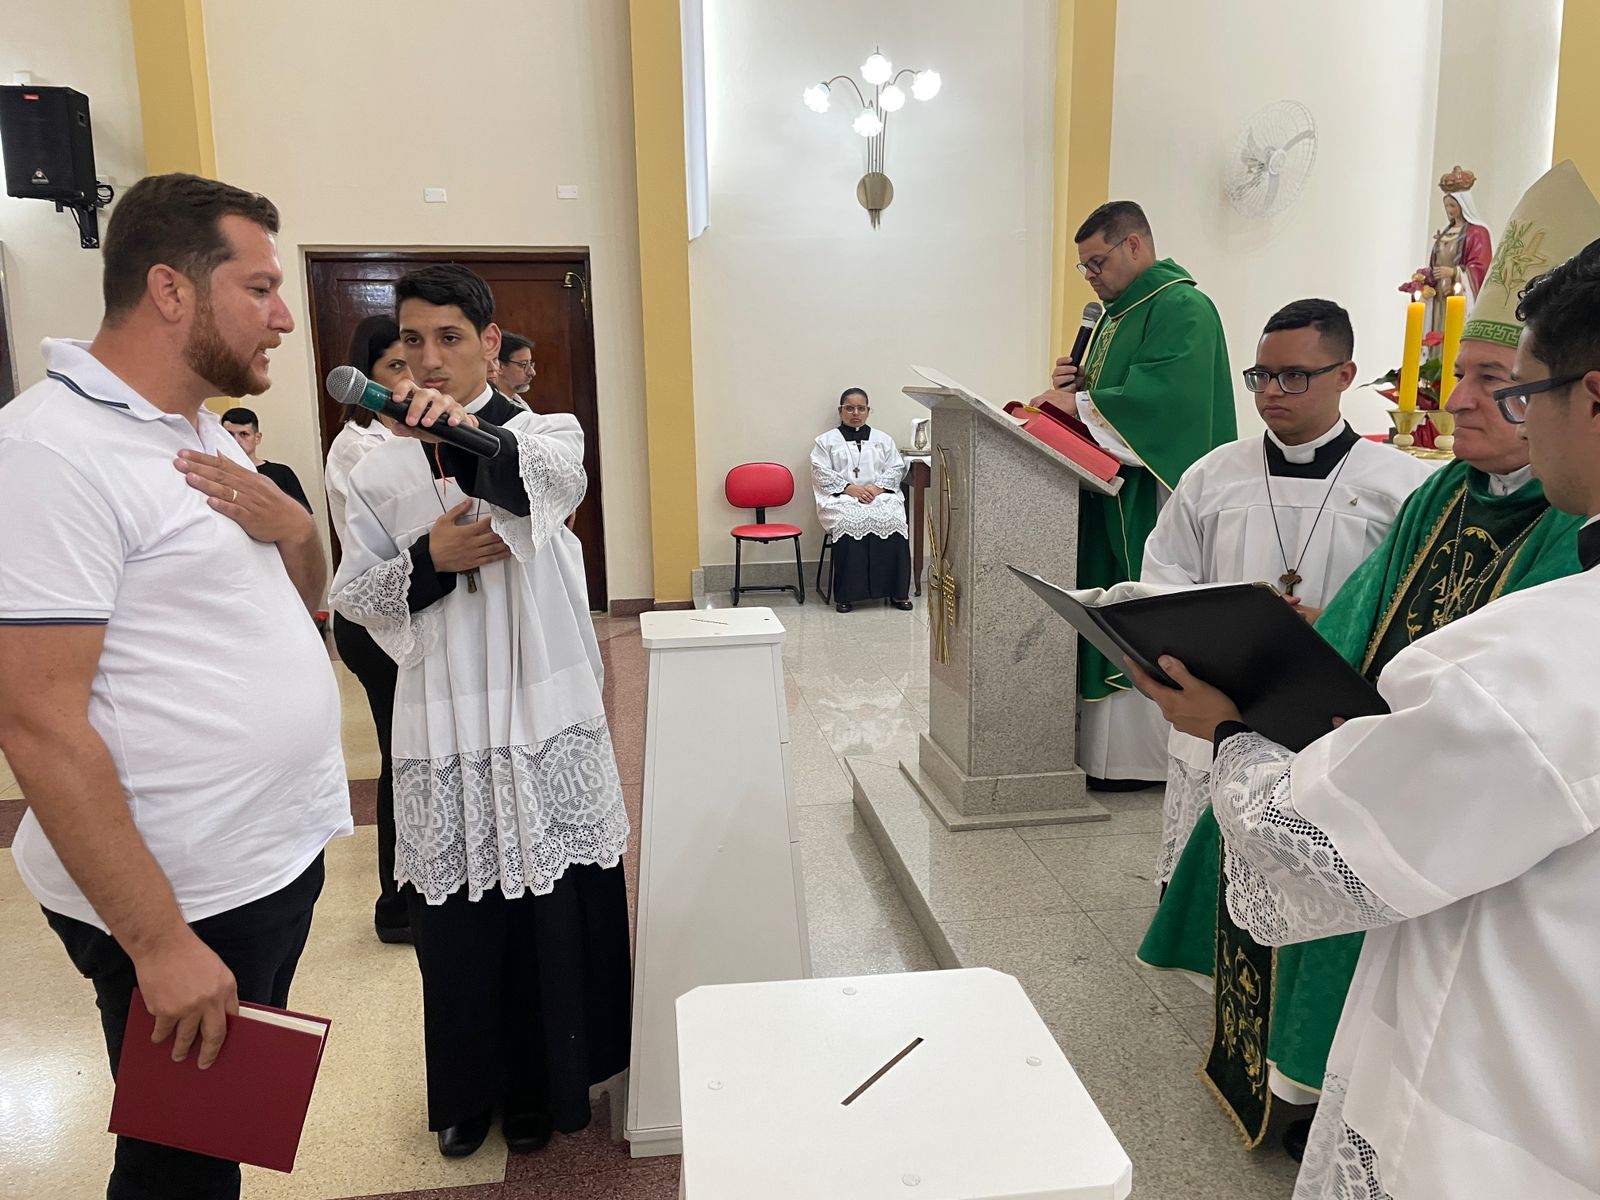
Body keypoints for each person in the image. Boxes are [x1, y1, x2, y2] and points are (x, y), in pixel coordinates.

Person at [1138, 160, 1599, 1156]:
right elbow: (1353, 628)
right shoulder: (1441, 493)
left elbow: (1465, 752)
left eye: (1505, 385)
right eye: (1460, 376)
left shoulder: (1569, 565)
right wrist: (1268, 685)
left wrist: (1238, 734)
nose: (1461, 402)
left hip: (1456, 869)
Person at [0, 173, 350, 1199]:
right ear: (170, 290)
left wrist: (297, 531)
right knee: (177, 1171)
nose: (284, 318)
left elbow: (296, 603)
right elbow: (34, 718)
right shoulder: (47, 452)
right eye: (260, 288)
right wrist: (158, 942)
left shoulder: (192, 427)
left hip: (260, 863)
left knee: (214, 1144)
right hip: (178, 897)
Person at [331, 263, 628, 1159]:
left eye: (450, 338)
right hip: (448, 703)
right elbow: (356, 595)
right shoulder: (374, 465)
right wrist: (430, 559)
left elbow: (539, 490)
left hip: (539, 697)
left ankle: (542, 1088)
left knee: (548, 901)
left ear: (490, 344)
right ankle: (469, 1092)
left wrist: (459, 427)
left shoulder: (547, 434)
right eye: (412, 340)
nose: (429, 358)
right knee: (460, 915)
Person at [1140, 300, 1432, 893]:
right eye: (1262, 375)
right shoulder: (1213, 475)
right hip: (1221, 700)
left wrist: (1336, 623)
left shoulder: (1402, 485)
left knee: (1314, 888)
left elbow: (1420, 605)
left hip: (1334, 718)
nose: (1272, 391)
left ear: (1344, 375)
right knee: (1211, 885)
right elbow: (1164, 577)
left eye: (1295, 375)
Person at [1037, 200, 1236, 788]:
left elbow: (1170, 401)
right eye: (1084, 266)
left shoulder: (1182, 306)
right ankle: (1100, 755)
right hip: (1110, 488)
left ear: (1134, 245)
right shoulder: (1116, 314)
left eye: (1097, 261)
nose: (1090, 275)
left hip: (1154, 493)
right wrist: (1078, 390)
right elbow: (1116, 394)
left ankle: (1140, 761)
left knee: (1141, 604)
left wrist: (1085, 405)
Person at [325, 314, 411, 944]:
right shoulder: (358, 446)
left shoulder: (407, 432)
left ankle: (422, 888)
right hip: (373, 618)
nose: (410, 378)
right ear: (367, 376)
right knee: (401, 756)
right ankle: (396, 905)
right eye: (395, 367)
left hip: (407, 608)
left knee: (417, 751)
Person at [811, 387, 914, 613]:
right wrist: (849, 489)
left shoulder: (883, 439)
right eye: (850, 408)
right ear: (840, 411)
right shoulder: (826, 441)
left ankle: (897, 592)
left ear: (868, 411)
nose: (855, 413)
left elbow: (896, 468)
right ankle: (847, 594)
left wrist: (876, 488)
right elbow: (820, 471)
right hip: (842, 498)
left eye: (861, 408)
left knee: (894, 520)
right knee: (848, 521)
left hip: (879, 495)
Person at [1426, 164, 1493, 316]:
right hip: (1439, 294)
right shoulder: (1446, 232)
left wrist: (1454, 272)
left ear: (1463, 205)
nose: (1449, 210)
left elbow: (1480, 268)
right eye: (1447, 206)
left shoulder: (1478, 232)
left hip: (1460, 292)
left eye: (1453, 205)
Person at [220, 405, 313, 511]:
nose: (236, 441)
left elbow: (303, 517)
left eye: (244, 434)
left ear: (257, 438)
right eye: (229, 435)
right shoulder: (216, 474)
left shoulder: (281, 473)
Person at [497, 331, 537, 401]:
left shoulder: (517, 400)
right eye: (523, 364)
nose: (532, 372)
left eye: (530, 363)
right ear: (499, 366)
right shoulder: (493, 405)